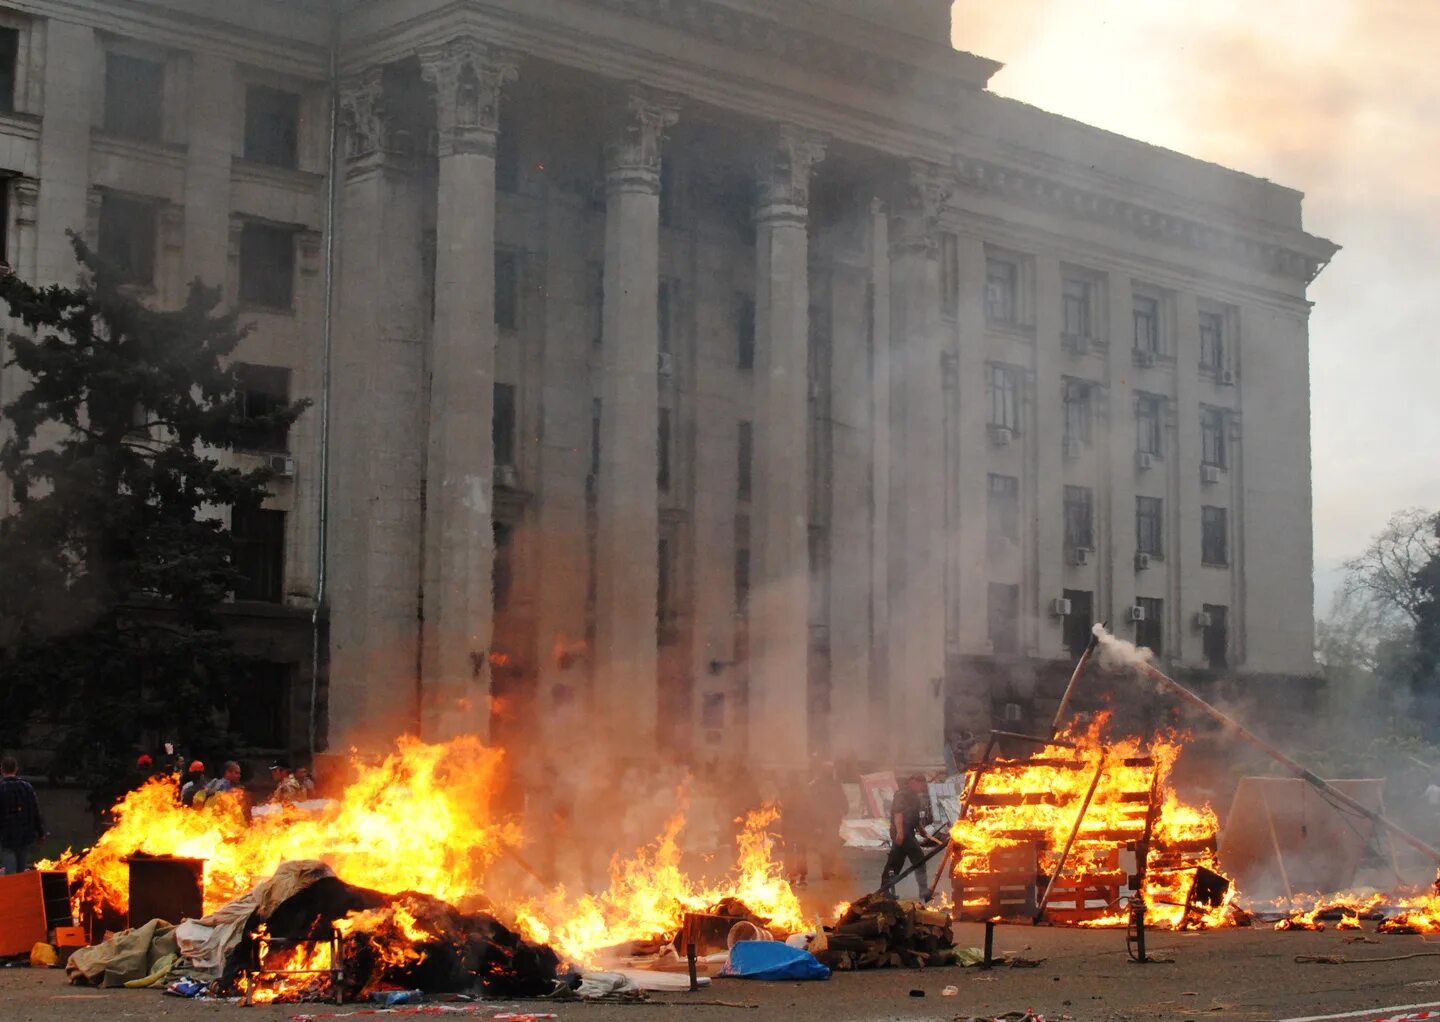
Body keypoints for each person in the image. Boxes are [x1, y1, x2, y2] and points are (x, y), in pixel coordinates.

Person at [880, 773, 941, 901]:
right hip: (902, 831)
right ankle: (924, 892)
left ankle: (884, 891)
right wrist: (900, 832)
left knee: (896, 860)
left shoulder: (915, 797)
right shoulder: (902, 795)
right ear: (913, 782)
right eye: (920, 784)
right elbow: (898, 813)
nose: (921, 787)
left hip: (908, 831)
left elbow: (914, 816)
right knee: (919, 858)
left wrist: (921, 830)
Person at [0, 756, 46, 875]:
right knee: (21, 872)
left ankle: (12, 892)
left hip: (6, 836)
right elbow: (35, 811)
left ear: (2, 769)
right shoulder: (26, 787)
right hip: (24, 835)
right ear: (16, 769)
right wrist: (40, 833)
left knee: (11, 873)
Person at [807, 761, 849, 881]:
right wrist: (814, 821)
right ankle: (825, 870)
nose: (830, 773)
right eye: (828, 770)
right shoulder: (816, 785)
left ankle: (829, 869)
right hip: (820, 821)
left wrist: (845, 808)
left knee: (832, 845)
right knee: (824, 846)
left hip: (834, 820)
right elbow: (811, 803)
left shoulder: (836, 784)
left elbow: (842, 797)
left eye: (831, 770)